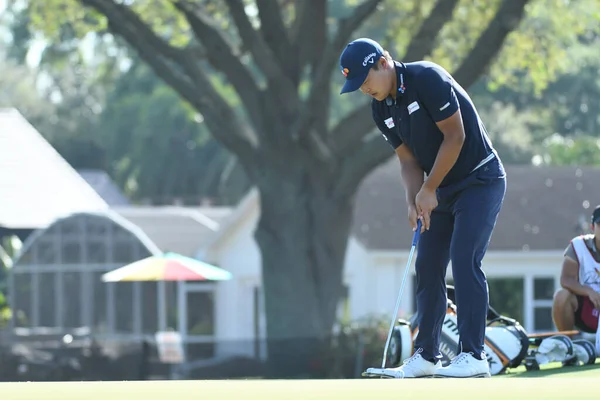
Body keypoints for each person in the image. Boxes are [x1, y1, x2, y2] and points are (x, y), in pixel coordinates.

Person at [339, 38, 506, 378]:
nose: (364, 89)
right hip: (440, 188)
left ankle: (474, 356)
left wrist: (429, 189)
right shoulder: (380, 108)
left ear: (383, 63)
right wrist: (414, 198)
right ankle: (426, 355)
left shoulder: (427, 78)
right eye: (357, 86)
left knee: (463, 258)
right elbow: (408, 160)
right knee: (428, 266)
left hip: (480, 180)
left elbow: (455, 137)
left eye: (365, 80)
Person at [552, 205, 600, 336]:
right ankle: (567, 344)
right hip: (585, 308)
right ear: (592, 227)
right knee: (561, 296)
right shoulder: (579, 246)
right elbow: (566, 279)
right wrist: (589, 292)